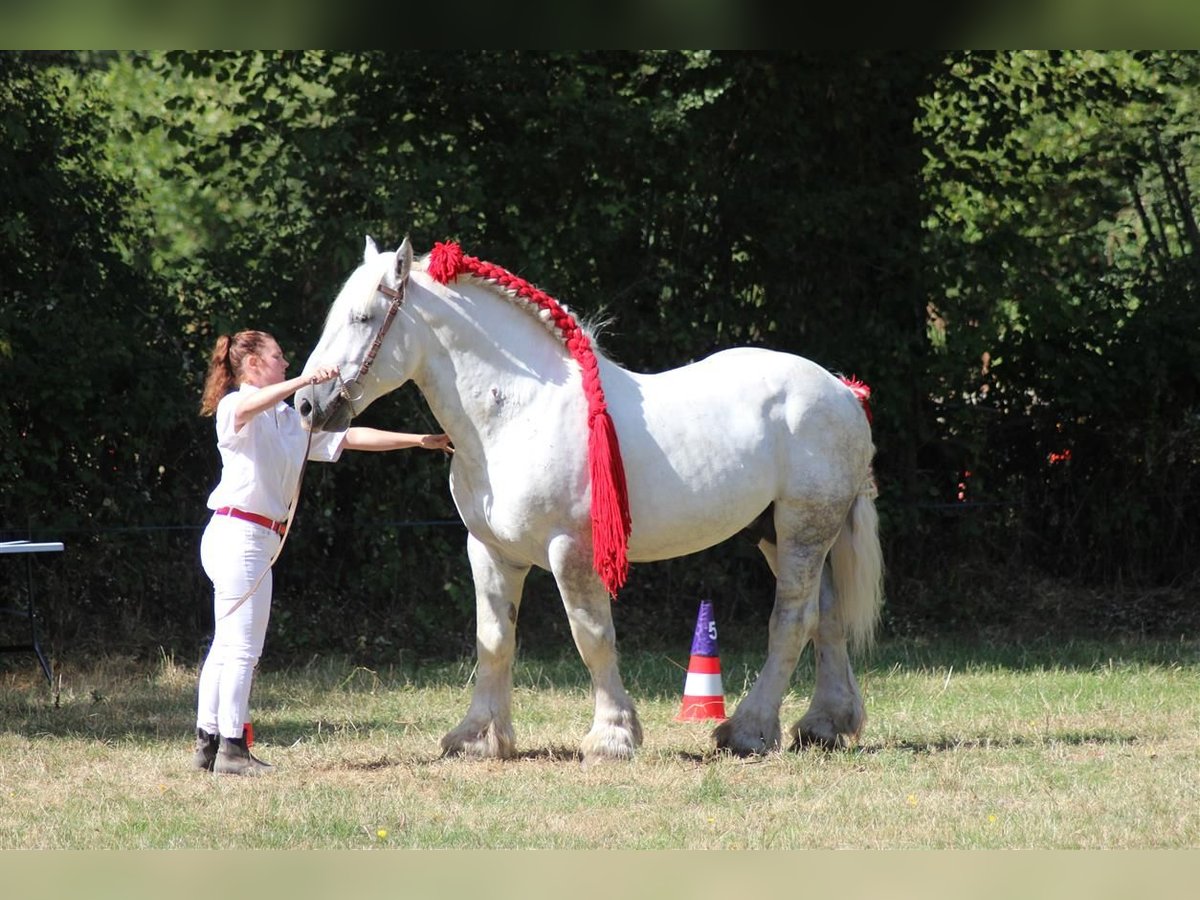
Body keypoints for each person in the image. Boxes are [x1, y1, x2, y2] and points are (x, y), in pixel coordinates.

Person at [193, 329, 452, 776]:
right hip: (240, 536)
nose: (285, 363)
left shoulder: (285, 421)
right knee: (241, 650)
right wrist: (306, 381)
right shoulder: (238, 405)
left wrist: (417, 440)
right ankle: (231, 750)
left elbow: (348, 439)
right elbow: (253, 404)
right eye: (277, 357)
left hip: (253, 539)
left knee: (228, 646)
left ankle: (209, 742)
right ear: (252, 364)